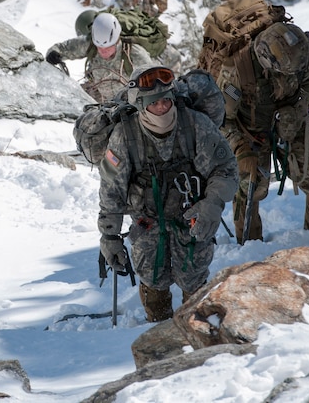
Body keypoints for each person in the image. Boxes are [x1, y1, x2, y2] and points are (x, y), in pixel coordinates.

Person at [97, 65, 238, 321]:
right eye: (154, 103)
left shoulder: (196, 124)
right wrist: (109, 235)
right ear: (141, 105)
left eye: (165, 100)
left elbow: (225, 169)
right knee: (152, 278)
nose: (162, 107)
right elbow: (112, 188)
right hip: (146, 223)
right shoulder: (125, 135)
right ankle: (155, 329)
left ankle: (197, 328)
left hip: (193, 217)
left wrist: (211, 205)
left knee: (194, 279)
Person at [217, 15, 309, 242]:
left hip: (293, 119)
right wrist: (240, 148)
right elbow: (222, 120)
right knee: (250, 187)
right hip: (250, 131)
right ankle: (249, 244)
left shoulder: (300, 50)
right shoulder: (236, 72)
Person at [45, 10, 153, 102]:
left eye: (108, 47)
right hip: (103, 101)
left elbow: (154, 81)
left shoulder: (135, 54)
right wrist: (53, 53)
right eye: (99, 47)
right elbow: (62, 48)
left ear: (116, 41)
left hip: (131, 104)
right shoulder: (89, 43)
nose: (103, 51)